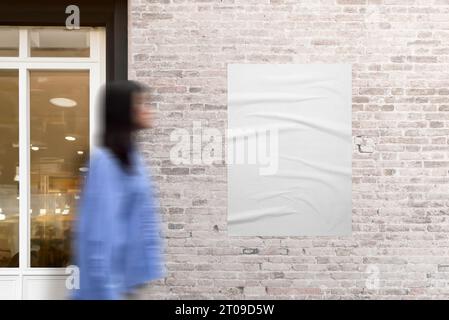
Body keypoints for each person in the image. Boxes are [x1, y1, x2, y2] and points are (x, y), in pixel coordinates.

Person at [71, 80, 166, 299]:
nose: (148, 110)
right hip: (107, 287)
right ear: (124, 110)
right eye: (141, 103)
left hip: (127, 283)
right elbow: (99, 234)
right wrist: (106, 290)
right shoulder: (105, 162)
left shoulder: (133, 160)